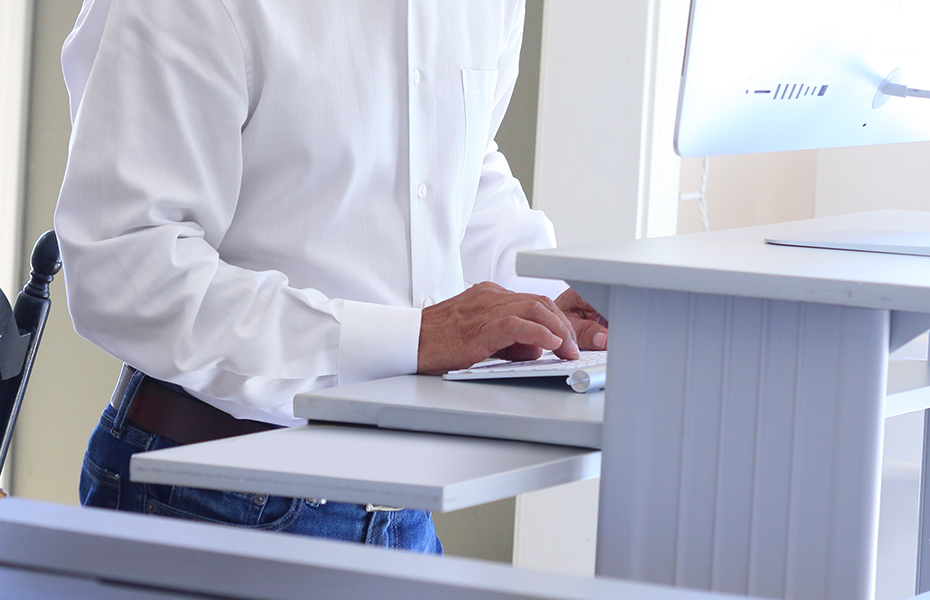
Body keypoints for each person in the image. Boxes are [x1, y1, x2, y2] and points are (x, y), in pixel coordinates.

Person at [54, 0, 606, 554]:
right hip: (211, 500)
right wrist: (414, 339)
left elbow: (460, 166)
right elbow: (127, 269)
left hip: (402, 506)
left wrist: (545, 301)